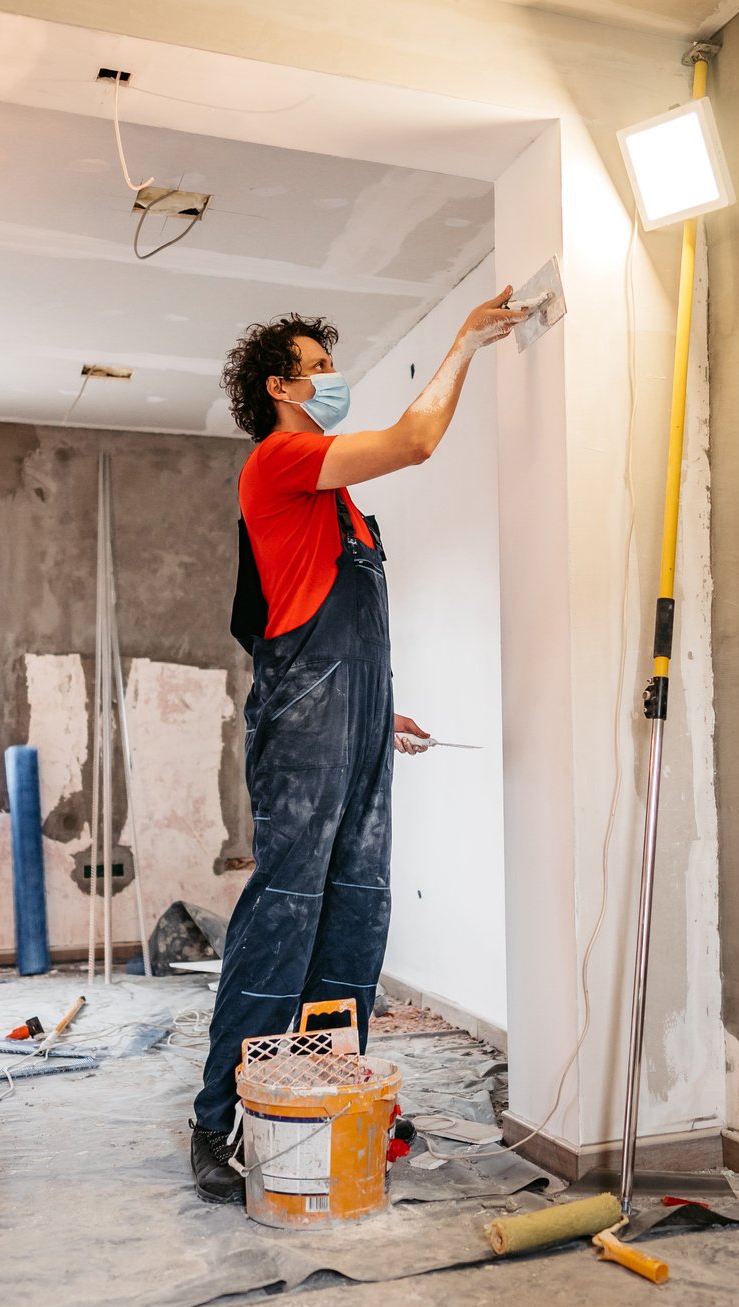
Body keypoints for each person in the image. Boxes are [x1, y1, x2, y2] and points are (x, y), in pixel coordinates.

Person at [190, 290, 528, 1203]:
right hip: (303, 726)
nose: (333, 382)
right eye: (321, 369)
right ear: (280, 387)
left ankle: (330, 1095)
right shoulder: (281, 460)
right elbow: (416, 441)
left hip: (352, 718)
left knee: (353, 910)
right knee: (286, 910)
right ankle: (221, 1115)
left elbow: (334, 627)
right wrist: (464, 343)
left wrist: (380, 711)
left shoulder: (338, 506)